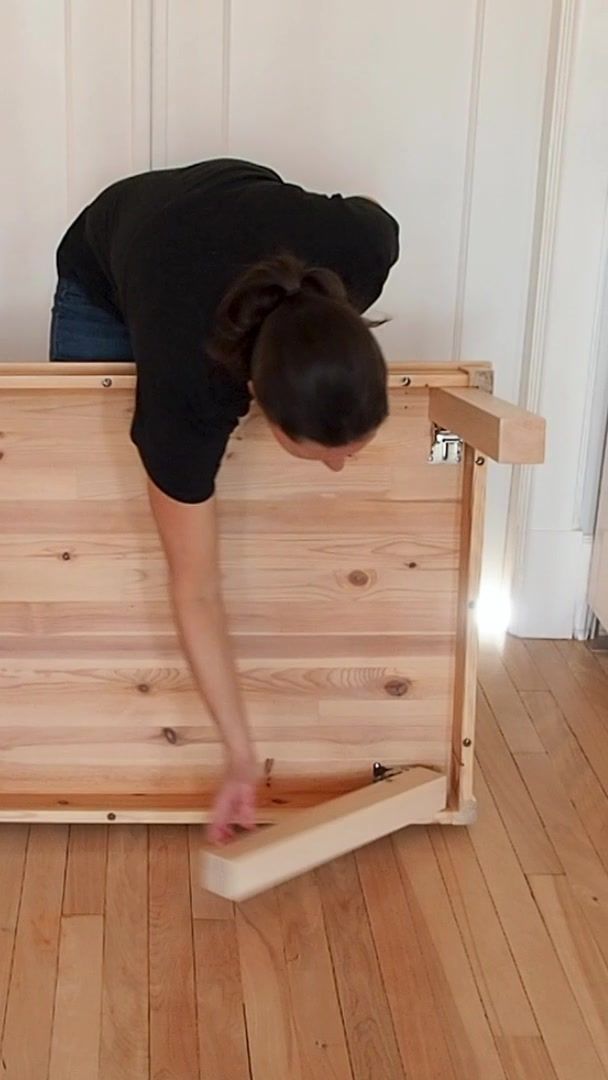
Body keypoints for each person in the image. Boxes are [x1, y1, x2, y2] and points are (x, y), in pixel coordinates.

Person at [50, 158, 400, 843]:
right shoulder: (191, 396)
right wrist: (241, 754)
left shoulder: (360, 249)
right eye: (322, 450)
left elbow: (374, 214)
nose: (336, 469)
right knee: (91, 497)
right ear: (258, 409)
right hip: (111, 254)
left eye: (353, 446)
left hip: (216, 216)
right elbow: (197, 588)